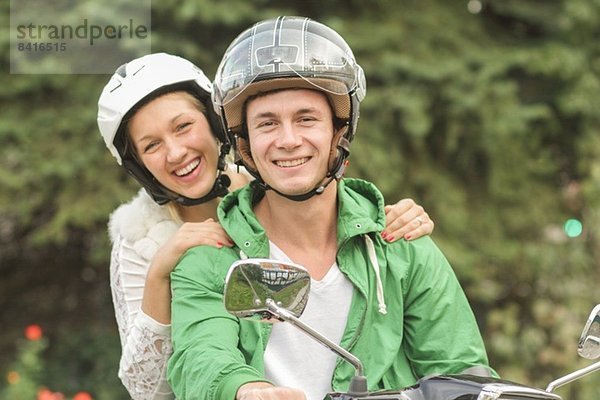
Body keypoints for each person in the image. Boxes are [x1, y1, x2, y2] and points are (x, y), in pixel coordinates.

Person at [167, 16, 495, 400]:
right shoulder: (209, 258)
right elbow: (199, 358)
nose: (288, 140)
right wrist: (246, 391)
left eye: (306, 119)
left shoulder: (402, 245)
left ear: (339, 130)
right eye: (267, 123)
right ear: (245, 144)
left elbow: (461, 372)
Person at [96, 53, 435, 400]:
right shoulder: (140, 240)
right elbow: (145, 388)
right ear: (137, 164)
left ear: (215, 123)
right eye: (151, 145)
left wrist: (396, 221)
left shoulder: (272, 182)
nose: (175, 152)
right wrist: (159, 271)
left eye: (183, 127)